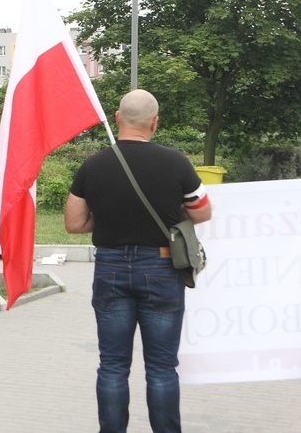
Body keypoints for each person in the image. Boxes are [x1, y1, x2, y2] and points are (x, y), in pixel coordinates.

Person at [64, 89, 212, 432]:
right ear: (154, 123)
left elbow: (74, 223)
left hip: (110, 267)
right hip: (161, 269)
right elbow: (202, 211)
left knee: (112, 366)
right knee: (161, 368)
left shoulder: (93, 164)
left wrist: (110, 217)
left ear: (118, 118)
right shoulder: (175, 162)